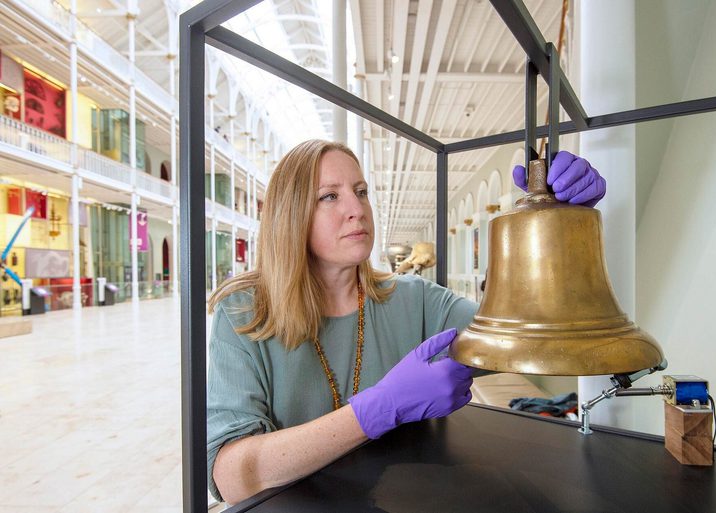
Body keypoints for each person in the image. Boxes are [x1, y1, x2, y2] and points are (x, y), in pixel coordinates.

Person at [206, 140, 605, 504]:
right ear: (289, 216)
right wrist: (380, 409)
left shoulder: (414, 299)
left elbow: (529, 333)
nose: (356, 208)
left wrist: (558, 228)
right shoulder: (245, 314)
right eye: (330, 196)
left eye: (360, 192)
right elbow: (232, 477)